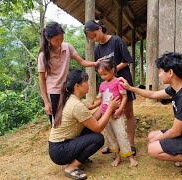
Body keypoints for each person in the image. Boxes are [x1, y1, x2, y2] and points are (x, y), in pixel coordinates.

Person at [118, 52, 182, 176]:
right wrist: (130, 88)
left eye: (160, 71)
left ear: (170, 73)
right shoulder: (177, 88)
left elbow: (176, 132)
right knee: (151, 135)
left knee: (153, 148)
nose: (159, 75)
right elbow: (153, 95)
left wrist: (156, 141)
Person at [49, 70, 120, 180]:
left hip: (61, 145)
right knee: (98, 138)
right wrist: (110, 108)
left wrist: (104, 103)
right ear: (77, 86)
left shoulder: (73, 100)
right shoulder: (76, 105)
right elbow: (98, 127)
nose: (89, 84)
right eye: (86, 81)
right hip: (60, 151)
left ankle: (77, 158)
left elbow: (92, 120)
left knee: (91, 130)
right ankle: (71, 167)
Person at [84, 20, 137, 155]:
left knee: (128, 112)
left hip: (122, 81)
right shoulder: (97, 50)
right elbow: (100, 70)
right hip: (108, 88)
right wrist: (107, 79)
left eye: (94, 35)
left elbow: (127, 60)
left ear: (100, 28)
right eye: (91, 38)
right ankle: (113, 145)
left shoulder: (116, 41)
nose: (94, 39)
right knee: (108, 113)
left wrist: (112, 72)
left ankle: (130, 143)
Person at [38, 21, 97, 126]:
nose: (60, 42)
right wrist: (46, 102)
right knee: (57, 122)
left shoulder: (67, 47)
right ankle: (57, 142)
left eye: (62, 38)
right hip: (54, 93)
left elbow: (82, 61)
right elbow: (42, 79)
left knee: (69, 117)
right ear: (48, 39)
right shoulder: (43, 55)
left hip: (68, 90)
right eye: (57, 40)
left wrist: (96, 63)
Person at [87, 59, 138, 167]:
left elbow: (124, 97)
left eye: (105, 74)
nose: (103, 77)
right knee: (110, 136)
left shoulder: (118, 82)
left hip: (116, 114)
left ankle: (130, 158)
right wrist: (92, 106)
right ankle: (117, 157)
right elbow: (100, 100)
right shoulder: (102, 85)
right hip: (105, 115)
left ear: (113, 70)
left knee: (121, 135)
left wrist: (120, 109)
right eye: (101, 75)